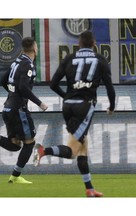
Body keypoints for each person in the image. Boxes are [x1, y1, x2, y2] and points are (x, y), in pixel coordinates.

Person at [33, 30, 116, 197]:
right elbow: (109, 87)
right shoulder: (100, 59)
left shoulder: (69, 58)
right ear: (94, 44)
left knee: (83, 149)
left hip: (68, 106)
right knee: (72, 151)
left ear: (78, 44)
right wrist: (112, 106)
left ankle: (90, 189)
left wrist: (67, 97)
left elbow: (53, 84)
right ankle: (43, 151)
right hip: (84, 107)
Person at [0, 37, 48, 184]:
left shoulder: (16, 61)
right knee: (29, 143)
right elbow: (23, 87)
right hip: (19, 110)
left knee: (15, 145)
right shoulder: (28, 64)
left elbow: (3, 80)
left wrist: (12, 94)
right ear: (34, 48)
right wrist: (40, 103)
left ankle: (14, 177)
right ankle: (15, 177)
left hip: (8, 107)